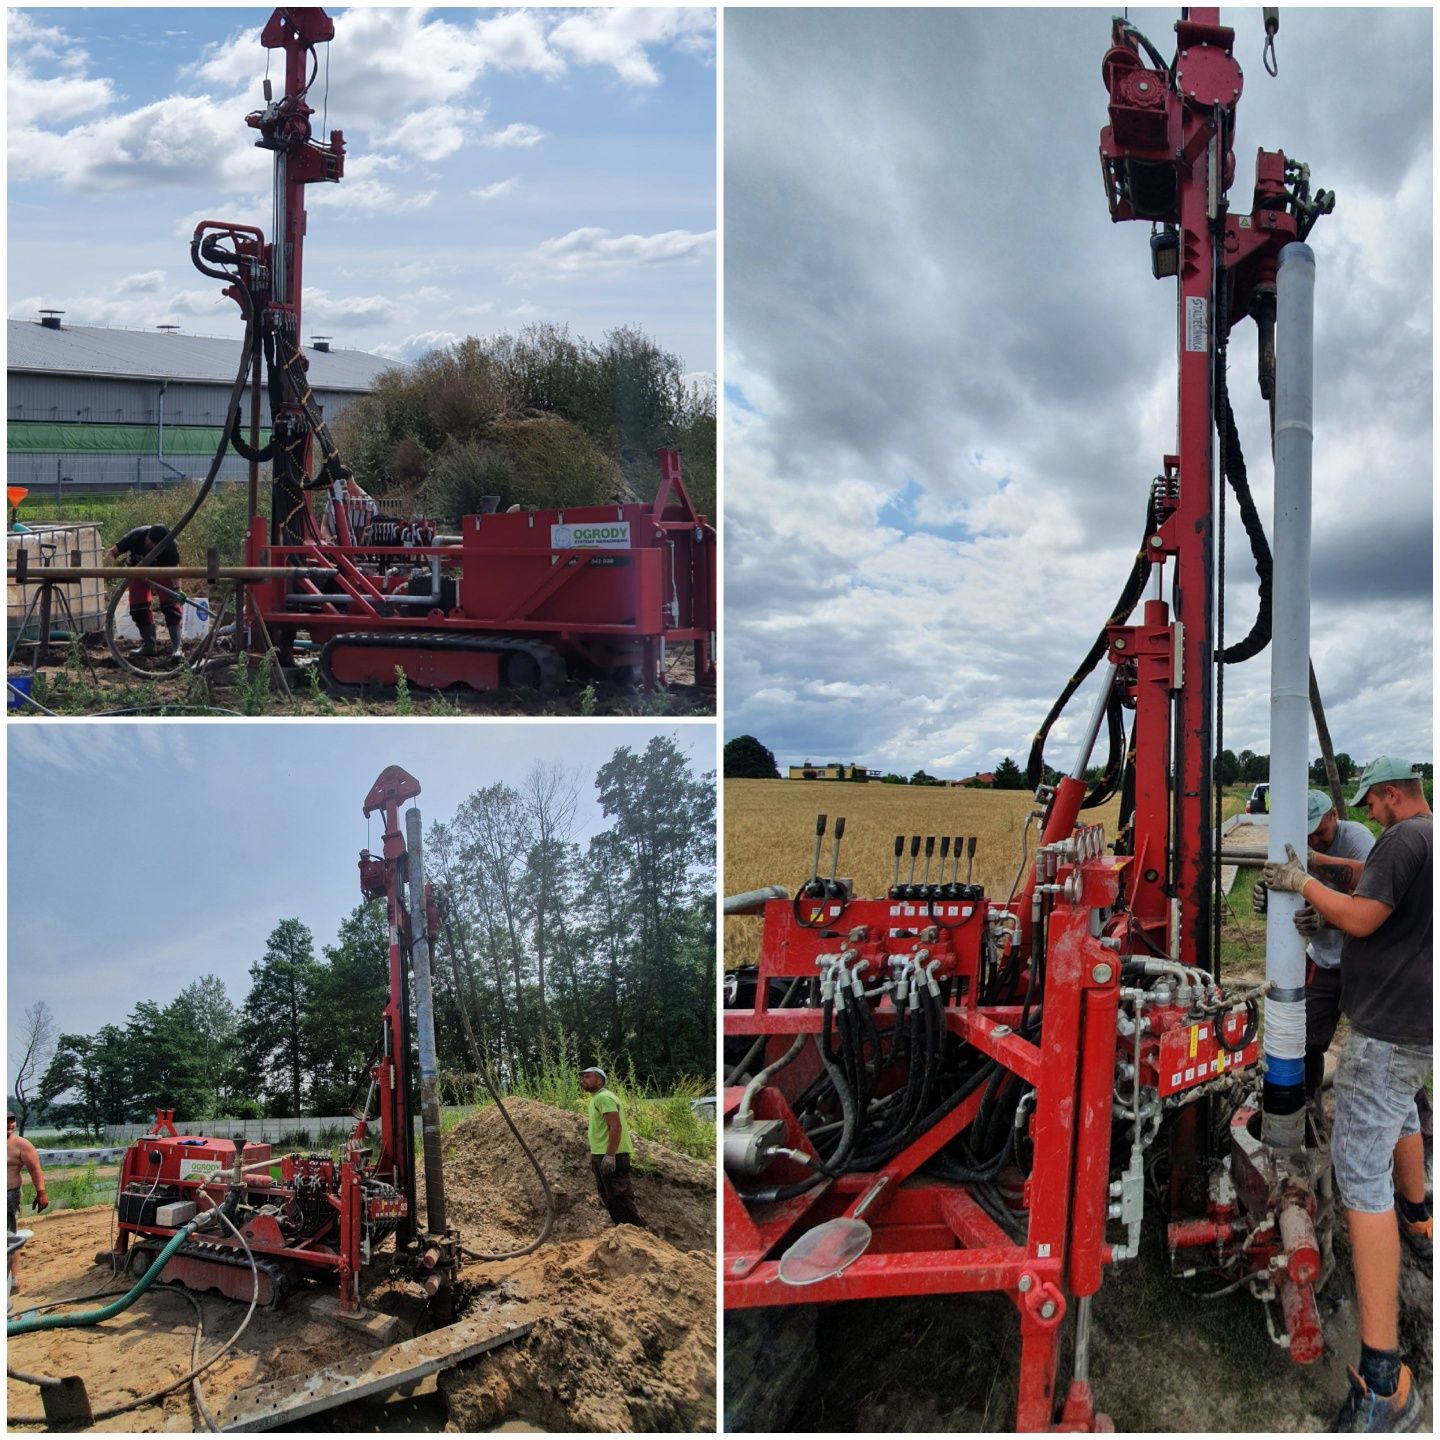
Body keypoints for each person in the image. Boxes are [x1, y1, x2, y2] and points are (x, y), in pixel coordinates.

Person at [1263, 757, 1432, 1432]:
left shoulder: (1404, 837)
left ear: (1394, 796)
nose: (1371, 811)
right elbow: (1367, 885)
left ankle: (1384, 1380)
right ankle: (1419, 1220)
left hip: (1387, 1032)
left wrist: (1301, 880)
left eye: (1375, 801)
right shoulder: (1429, 838)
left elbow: (1362, 917)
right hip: (1418, 1026)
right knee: (1398, 1120)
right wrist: (1321, 882)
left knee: (1360, 1178)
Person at [1253, 789, 1375, 1102]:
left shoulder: (1357, 840)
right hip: (1322, 958)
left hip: (1363, 960)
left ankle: (1420, 1123)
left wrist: (1325, 917)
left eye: (1321, 832)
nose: (1315, 841)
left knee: (1384, 1044)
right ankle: (1308, 1107)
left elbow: (1373, 900)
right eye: (1308, 834)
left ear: (1334, 815)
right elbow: (1288, 892)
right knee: (1306, 1040)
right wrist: (1271, 901)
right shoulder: (1299, 844)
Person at [580, 1066, 645, 1229]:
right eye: (583, 1078)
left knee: (620, 1198)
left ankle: (637, 1234)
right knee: (611, 1199)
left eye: (588, 1077)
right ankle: (624, 1232)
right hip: (602, 1154)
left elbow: (615, 1126)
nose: (583, 1080)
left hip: (611, 1154)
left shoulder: (604, 1098)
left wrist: (610, 1156)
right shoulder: (597, 1098)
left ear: (600, 1080)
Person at [107, 523, 183, 658]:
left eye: (157, 545)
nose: (153, 547)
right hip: (138, 571)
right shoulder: (135, 536)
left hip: (162, 571)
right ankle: (149, 645)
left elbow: (175, 569)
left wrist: (177, 590)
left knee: (171, 605)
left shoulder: (171, 545)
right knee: (138, 607)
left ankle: (177, 647)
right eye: (151, 543)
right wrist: (115, 566)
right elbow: (111, 553)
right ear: (147, 536)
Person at [7, 1113, 48, 1291]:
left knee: (9, 1236)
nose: (10, 1125)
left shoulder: (21, 1145)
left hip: (9, 1195)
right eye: (5, 1121)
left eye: (12, 1121)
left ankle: (12, 1278)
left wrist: (41, 1192)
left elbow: (35, 1169)